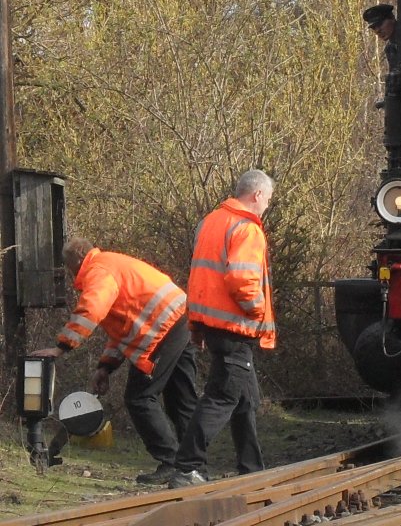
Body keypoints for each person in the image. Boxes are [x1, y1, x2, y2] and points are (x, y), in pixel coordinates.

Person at [30, 238, 198, 486]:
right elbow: (123, 329)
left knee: (140, 398)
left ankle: (172, 462)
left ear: (77, 260)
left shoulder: (97, 272)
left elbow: (92, 309)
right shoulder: (110, 263)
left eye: (68, 266)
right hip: (182, 318)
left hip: (162, 329)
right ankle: (195, 466)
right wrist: (106, 366)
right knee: (180, 399)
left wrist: (60, 347)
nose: (69, 273)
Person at [168, 169, 276, 488]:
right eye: (268, 199)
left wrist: (197, 324)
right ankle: (187, 467)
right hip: (235, 327)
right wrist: (257, 310)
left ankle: (252, 469)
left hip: (212, 323)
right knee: (221, 397)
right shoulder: (247, 228)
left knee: (245, 399)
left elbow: (200, 277)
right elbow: (241, 280)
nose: (267, 205)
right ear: (256, 195)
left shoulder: (212, 221)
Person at [363, 3, 397, 68]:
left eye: (380, 24)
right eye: (373, 28)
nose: (377, 31)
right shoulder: (390, 49)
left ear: (392, 18)